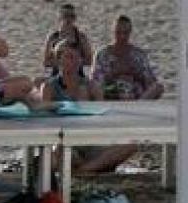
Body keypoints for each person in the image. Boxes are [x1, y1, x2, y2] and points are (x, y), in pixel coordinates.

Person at [40, 41, 136, 173]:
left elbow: (102, 118)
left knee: (130, 145)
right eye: (68, 57)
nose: (73, 62)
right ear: (59, 60)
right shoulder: (49, 87)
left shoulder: (91, 86)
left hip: (90, 141)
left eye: (76, 57)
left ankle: (84, 169)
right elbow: (44, 119)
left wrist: (85, 105)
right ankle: (92, 166)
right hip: (64, 140)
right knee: (55, 156)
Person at [92, 14, 164, 100]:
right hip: (111, 91)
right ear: (113, 32)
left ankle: (138, 106)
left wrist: (134, 73)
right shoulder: (102, 54)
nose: (122, 37)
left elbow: (150, 80)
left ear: (130, 32)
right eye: (118, 33)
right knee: (95, 87)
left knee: (158, 87)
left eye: (125, 33)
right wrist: (114, 73)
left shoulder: (138, 54)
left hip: (136, 92)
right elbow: (95, 81)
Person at [41, 3, 94, 77]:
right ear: (60, 18)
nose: (68, 19)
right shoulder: (53, 37)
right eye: (65, 16)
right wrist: (62, 63)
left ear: (75, 18)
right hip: (57, 75)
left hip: (77, 75)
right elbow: (46, 62)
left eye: (71, 16)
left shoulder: (81, 37)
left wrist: (74, 62)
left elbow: (90, 60)